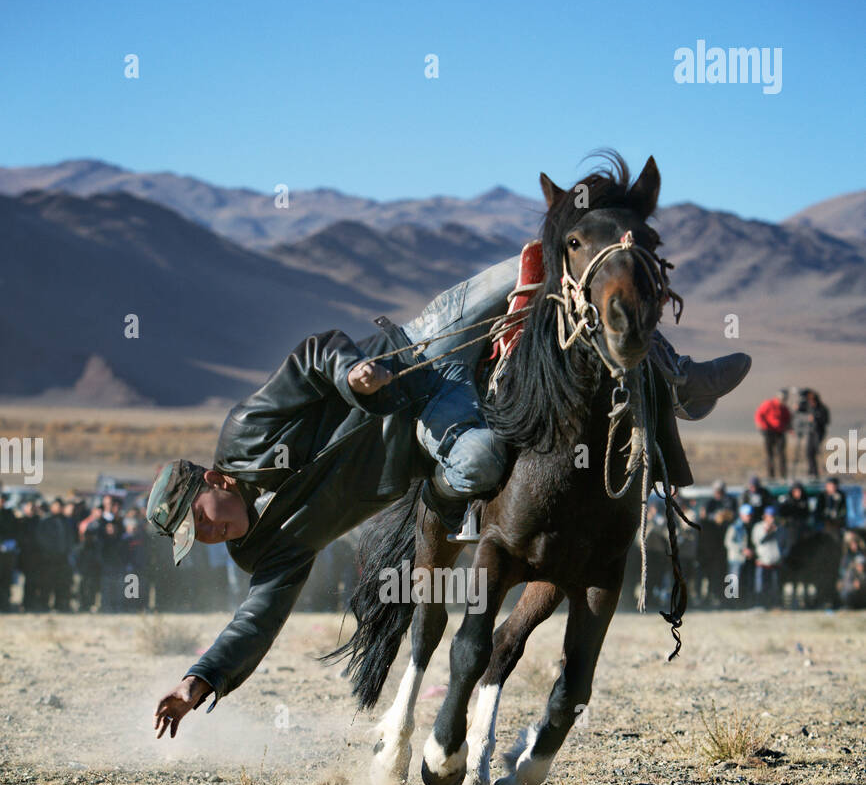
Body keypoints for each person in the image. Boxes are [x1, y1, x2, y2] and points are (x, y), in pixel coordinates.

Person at [146, 254, 752, 738]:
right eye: (193, 540)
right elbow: (257, 618)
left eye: (197, 522)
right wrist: (199, 679)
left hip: (421, 349)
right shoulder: (263, 551)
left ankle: (677, 377)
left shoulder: (244, 430)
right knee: (481, 458)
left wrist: (350, 374)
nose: (205, 537)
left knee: (548, 269)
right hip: (427, 421)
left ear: (214, 482)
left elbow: (312, 355)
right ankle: (447, 500)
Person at [755, 388, 792, 478]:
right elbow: (759, 415)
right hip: (769, 432)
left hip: (780, 433)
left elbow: (788, 419)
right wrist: (763, 427)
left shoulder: (784, 408)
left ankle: (783, 475)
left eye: (785, 399)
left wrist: (789, 428)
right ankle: (771, 476)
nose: (783, 401)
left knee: (781, 454)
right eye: (782, 399)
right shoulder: (768, 404)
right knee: (770, 454)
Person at [724, 503, 755, 604]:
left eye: (750, 515)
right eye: (747, 515)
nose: (749, 517)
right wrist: (743, 549)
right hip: (735, 558)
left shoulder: (751, 526)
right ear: (741, 515)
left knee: (745, 582)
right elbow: (728, 542)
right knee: (733, 582)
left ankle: (742, 602)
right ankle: (731, 603)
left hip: (747, 559)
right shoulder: (735, 527)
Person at [803, 390, 830, 479]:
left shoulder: (822, 408)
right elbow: (800, 409)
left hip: (819, 433)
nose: (811, 402)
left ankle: (820, 471)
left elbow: (826, 421)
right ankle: (812, 472)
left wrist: (816, 418)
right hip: (811, 433)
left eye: (812, 400)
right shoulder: (809, 408)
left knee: (816, 452)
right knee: (809, 452)